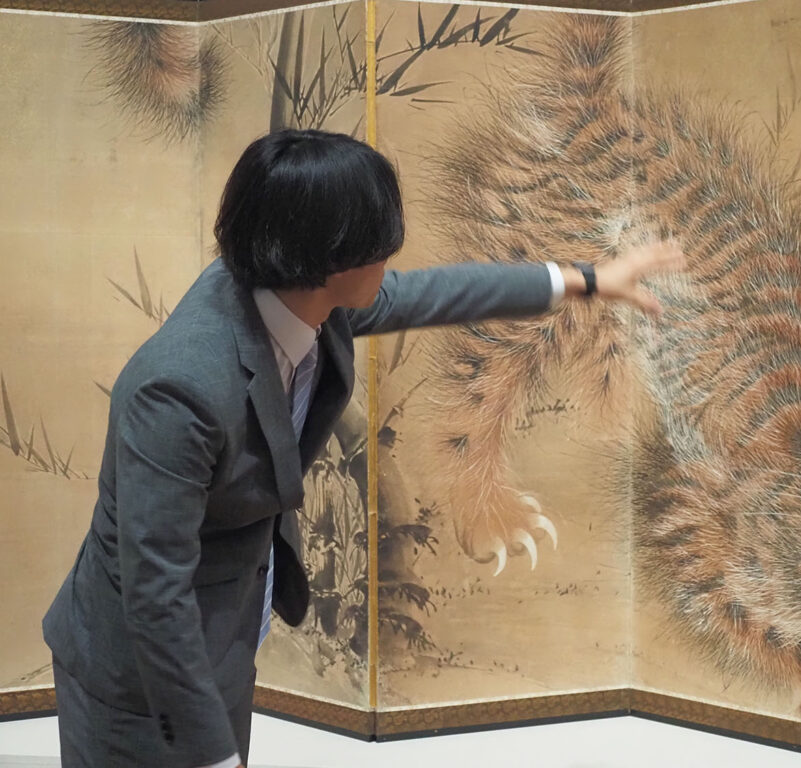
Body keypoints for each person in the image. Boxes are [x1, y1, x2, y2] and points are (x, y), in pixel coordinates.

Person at [41, 129, 680, 767]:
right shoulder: (178, 392)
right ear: (334, 262)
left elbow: (439, 293)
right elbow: (155, 595)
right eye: (381, 246)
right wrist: (213, 757)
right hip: (138, 680)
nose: (390, 259)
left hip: (223, 636)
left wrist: (589, 280)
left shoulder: (297, 295)